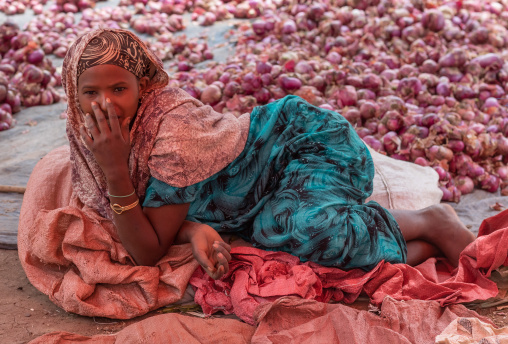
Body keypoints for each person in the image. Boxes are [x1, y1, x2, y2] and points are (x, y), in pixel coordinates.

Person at [63, 28, 474, 281]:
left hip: (306, 144)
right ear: (72, 94)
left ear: (143, 85)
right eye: (91, 93)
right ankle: (425, 250)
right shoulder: (83, 131)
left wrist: (115, 170)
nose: (106, 105)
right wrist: (189, 230)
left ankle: (430, 222)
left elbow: (147, 252)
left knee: (306, 231)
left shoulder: (170, 132)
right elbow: (154, 227)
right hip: (257, 195)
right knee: (279, 244)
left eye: (119, 89)